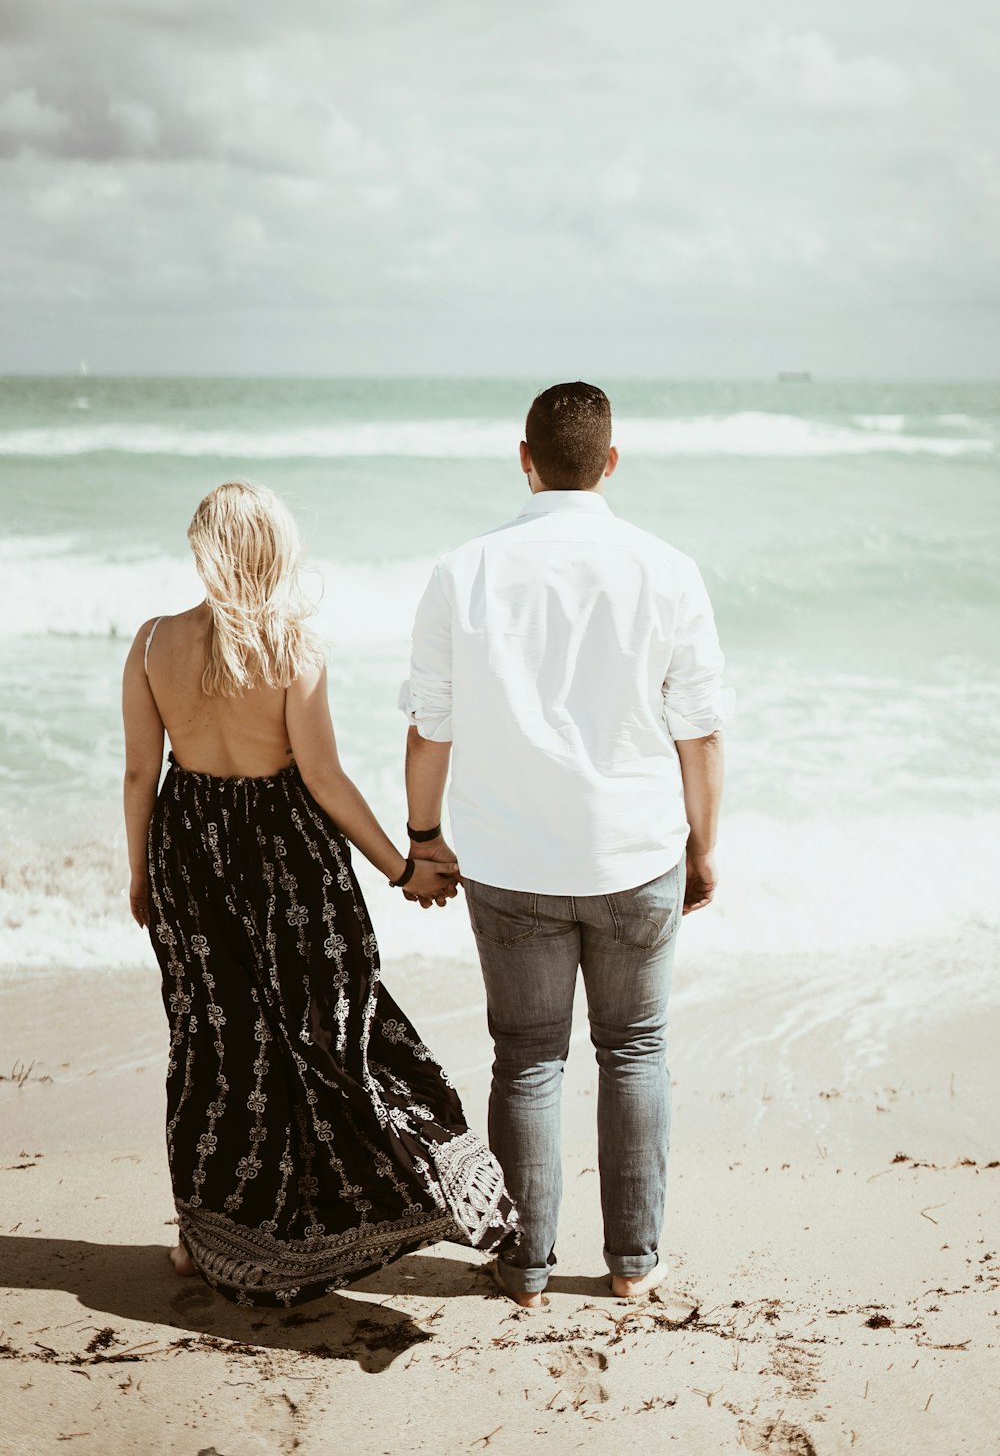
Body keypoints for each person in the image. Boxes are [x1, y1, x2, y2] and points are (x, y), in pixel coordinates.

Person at [121, 481, 518, 1308]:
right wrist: (402, 868)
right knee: (331, 1030)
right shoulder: (293, 646)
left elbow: (139, 773)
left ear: (204, 548)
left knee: (212, 1043)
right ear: (275, 551)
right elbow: (324, 777)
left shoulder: (152, 642)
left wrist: (139, 873)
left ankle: (202, 1238)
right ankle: (398, 1194)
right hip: (285, 859)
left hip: (188, 848)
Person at [400, 382, 728, 1310]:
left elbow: (431, 728)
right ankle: (633, 1263)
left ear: (525, 457)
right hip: (636, 852)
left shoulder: (463, 570)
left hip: (509, 863)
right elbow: (699, 732)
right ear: (611, 462)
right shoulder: (668, 570)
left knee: (528, 1057)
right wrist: (704, 846)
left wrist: (424, 839)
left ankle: (526, 1267)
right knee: (636, 1051)